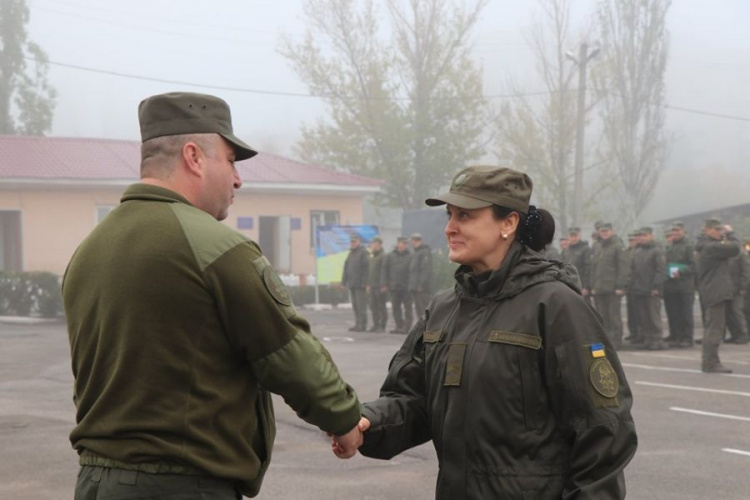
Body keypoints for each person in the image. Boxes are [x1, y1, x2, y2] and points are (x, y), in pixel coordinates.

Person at [62, 92, 363, 500]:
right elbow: (289, 355)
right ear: (194, 157)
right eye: (231, 160)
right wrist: (343, 418)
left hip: (95, 482)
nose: (238, 178)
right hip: (180, 485)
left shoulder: (89, 250)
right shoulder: (216, 248)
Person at [338, 166, 637, 499]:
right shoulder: (444, 308)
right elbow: (414, 400)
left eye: (465, 216)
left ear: (508, 223)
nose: (450, 228)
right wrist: (367, 422)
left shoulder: (556, 306)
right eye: (449, 216)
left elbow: (605, 430)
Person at [695, 219, 740, 373]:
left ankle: (711, 361)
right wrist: (731, 233)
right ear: (708, 230)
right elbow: (735, 248)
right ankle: (710, 362)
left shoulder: (706, 246)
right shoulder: (710, 247)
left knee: (714, 327)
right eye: (718, 230)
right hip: (715, 291)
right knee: (715, 329)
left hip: (714, 290)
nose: (721, 233)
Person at [590, 222, 628, 349]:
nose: (604, 233)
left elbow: (623, 267)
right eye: (602, 231)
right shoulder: (597, 246)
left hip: (613, 289)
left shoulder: (618, 246)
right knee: (602, 316)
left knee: (614, 317)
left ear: (612, 231)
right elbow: (593, 268)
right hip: (600, 288)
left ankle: (616, 341)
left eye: (606, 231)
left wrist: (620, 286)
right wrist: (593, 286)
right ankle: (606, 340)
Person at [629, 226, 667, 350]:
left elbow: (660, 270)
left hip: (652, 289)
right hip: (639, 289)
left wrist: (656, 286)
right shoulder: (637, 251)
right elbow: (633, 270)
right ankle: (648, 338)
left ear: (651, 235)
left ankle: (657, 339)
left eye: (645, 235)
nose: (642, 238)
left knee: (653, 316)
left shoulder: (657, 251)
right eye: (640, 236)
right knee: (643, 317)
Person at [663, 222, 696, 348]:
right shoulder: (671, 247)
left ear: (683, 231)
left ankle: (687, 338)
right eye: (673, 231)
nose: (675, 233)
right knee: (674, 313)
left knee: (685, 314)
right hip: (672, 285)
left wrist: (681, 271)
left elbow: (694, 266)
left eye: (678, 231)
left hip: (685, 286)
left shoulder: (688, 246)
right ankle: (677, 336)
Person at [381, 237, 412, 333]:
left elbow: (413, 271)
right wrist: (384, 284)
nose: (404, 245)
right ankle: (399, 326)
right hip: (394, 286)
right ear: (398, 243)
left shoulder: (410, 256)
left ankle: (406, 328)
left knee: (408, 308)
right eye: (402, 243)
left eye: (405, 243)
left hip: (406, 287)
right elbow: (384, 270)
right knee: (395, 308)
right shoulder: (390, 255)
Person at [342, 233, 370, 331]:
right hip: (352, 284)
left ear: (359, 242)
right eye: (351, 242)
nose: (353, 244)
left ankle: (362, 325)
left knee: (361, 306)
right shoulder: (351, 253)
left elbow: (367, 268)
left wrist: (365, 282)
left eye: (354, 242)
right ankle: (358, 323)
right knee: (355, 306)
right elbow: (346, 268)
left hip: (360, 284)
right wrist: (344, 281)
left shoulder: (363, 253)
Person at [725, 241, 750, 344]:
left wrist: (743, 286)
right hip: (727, 288)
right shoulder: (726, 255)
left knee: (737, 311)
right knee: (728, 312)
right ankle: (735, 334)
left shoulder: (741, 255)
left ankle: (744, 334)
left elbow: (746, 271)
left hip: (737, 288)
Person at [408, 232, 433, 319]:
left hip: (422, 288)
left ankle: (427, 329)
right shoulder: (416, 252)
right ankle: (422, 329)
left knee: (424, 309)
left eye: (413, 241)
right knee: (418, 310)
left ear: (417, 241)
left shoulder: (424, 252)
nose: (412, 243)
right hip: (415, 287)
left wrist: (421, 285)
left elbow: (425, 270)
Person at [367, 236, 388, 332]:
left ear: (378, 245)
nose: (372, 246)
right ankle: (375, 325)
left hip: (380, 286)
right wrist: (369, 284)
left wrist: (383, 285)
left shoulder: (383, 256)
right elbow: (371, 272)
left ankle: (382, 326)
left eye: (373, 244)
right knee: (373, 307)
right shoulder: (373, 256)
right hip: (373, 285)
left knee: (381, 307)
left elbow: (384, 271)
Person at [566, 226, 591, 301]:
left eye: (575, 236)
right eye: (571, 236)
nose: (573, 238)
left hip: (581, 285)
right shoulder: (567, 250)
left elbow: (588, 268)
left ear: (579, 236)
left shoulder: (585, 249)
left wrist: (586, 287)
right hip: (570, 284)